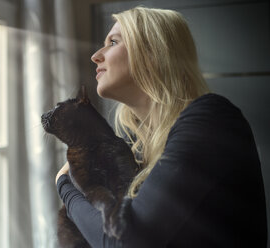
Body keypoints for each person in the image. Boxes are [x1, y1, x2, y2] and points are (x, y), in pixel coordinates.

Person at [55, 6, 267, 247]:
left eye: (113, 42)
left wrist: (64, 184)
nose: (96, 55)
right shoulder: (140, 148)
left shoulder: (211, 120)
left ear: (153, 53)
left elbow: (124, 243)